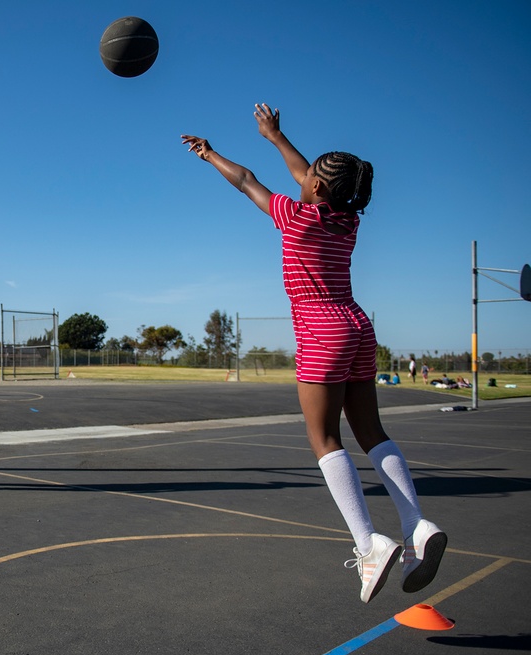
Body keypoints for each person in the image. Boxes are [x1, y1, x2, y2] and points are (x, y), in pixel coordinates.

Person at [182, 104, 447, 603]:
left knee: (324, 438)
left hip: (322, 328)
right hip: (358, 324)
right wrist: (277, 137)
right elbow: (307, 174)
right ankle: (417, 523)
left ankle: (370, 545)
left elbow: (245, 181)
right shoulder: (347, 220)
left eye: (310, 179)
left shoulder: (296, 216)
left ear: (317, 190)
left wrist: (210, 153)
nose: (302, 179)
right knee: (372, 433)